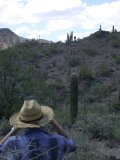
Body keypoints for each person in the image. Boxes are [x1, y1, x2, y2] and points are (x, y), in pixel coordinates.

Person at [0, 99, 76, 160]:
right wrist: (56, 125)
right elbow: (73, 145)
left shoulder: (12, 142)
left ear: (22, 123)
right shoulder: (58, 140)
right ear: (44, 119)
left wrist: (14, 130)